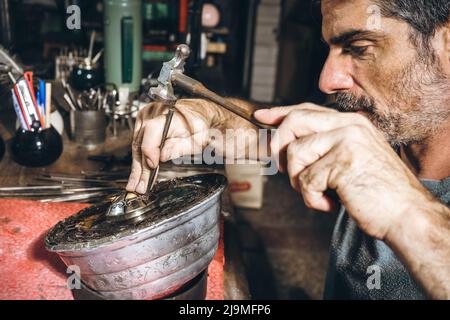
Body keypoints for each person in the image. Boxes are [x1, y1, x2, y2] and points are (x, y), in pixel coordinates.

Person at [127, 0, 450, 299]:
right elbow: (270, 131)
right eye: (332, 49)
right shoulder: (385, 128)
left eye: (359, 48)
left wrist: (408, 214)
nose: (327, 80)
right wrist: (208, 120)